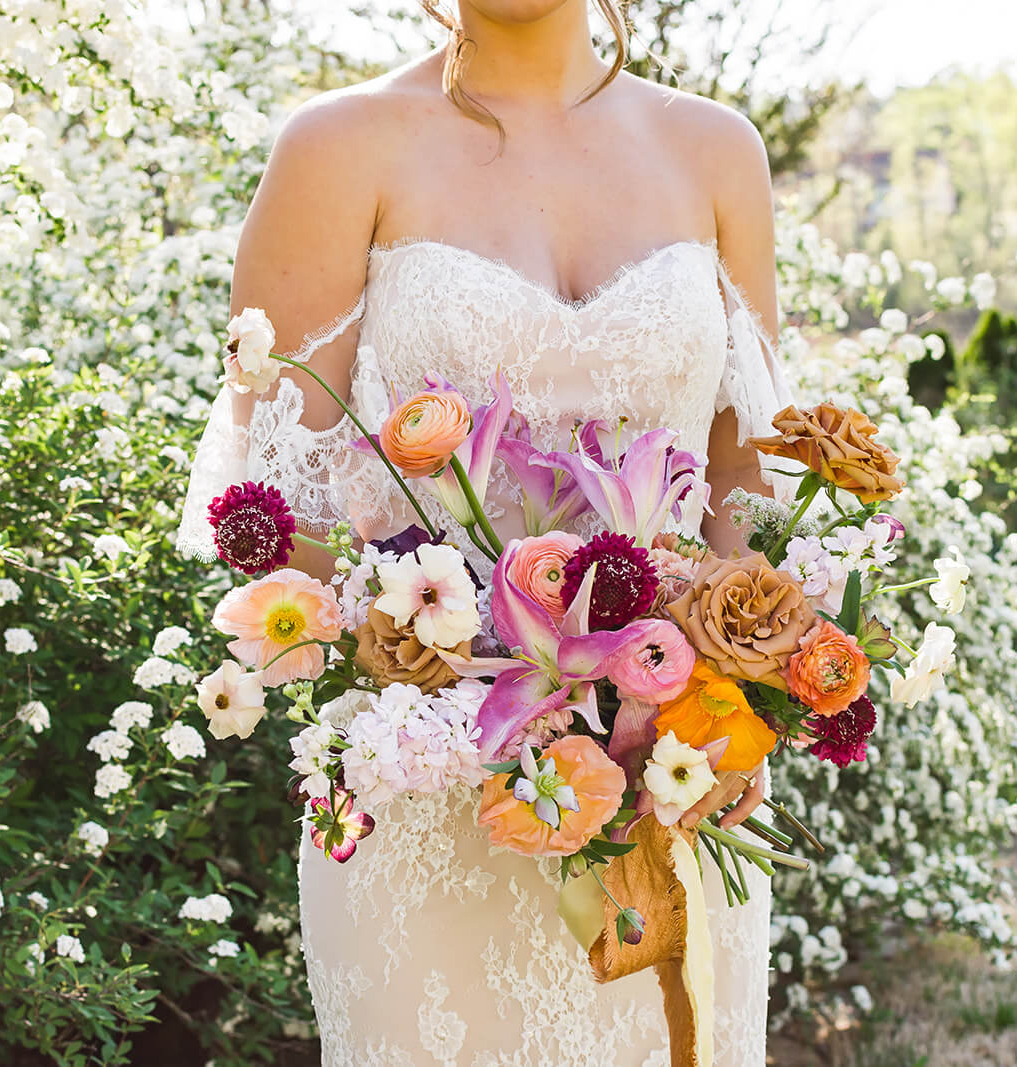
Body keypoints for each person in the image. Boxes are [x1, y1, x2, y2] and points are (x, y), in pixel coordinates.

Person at [177, 1, 801, 1061]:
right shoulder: (337, 148)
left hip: (676, 770)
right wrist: (460, 660)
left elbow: (744, 471)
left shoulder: (715, 152)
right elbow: (284, 508)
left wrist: (729, 685)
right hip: (427, 781)